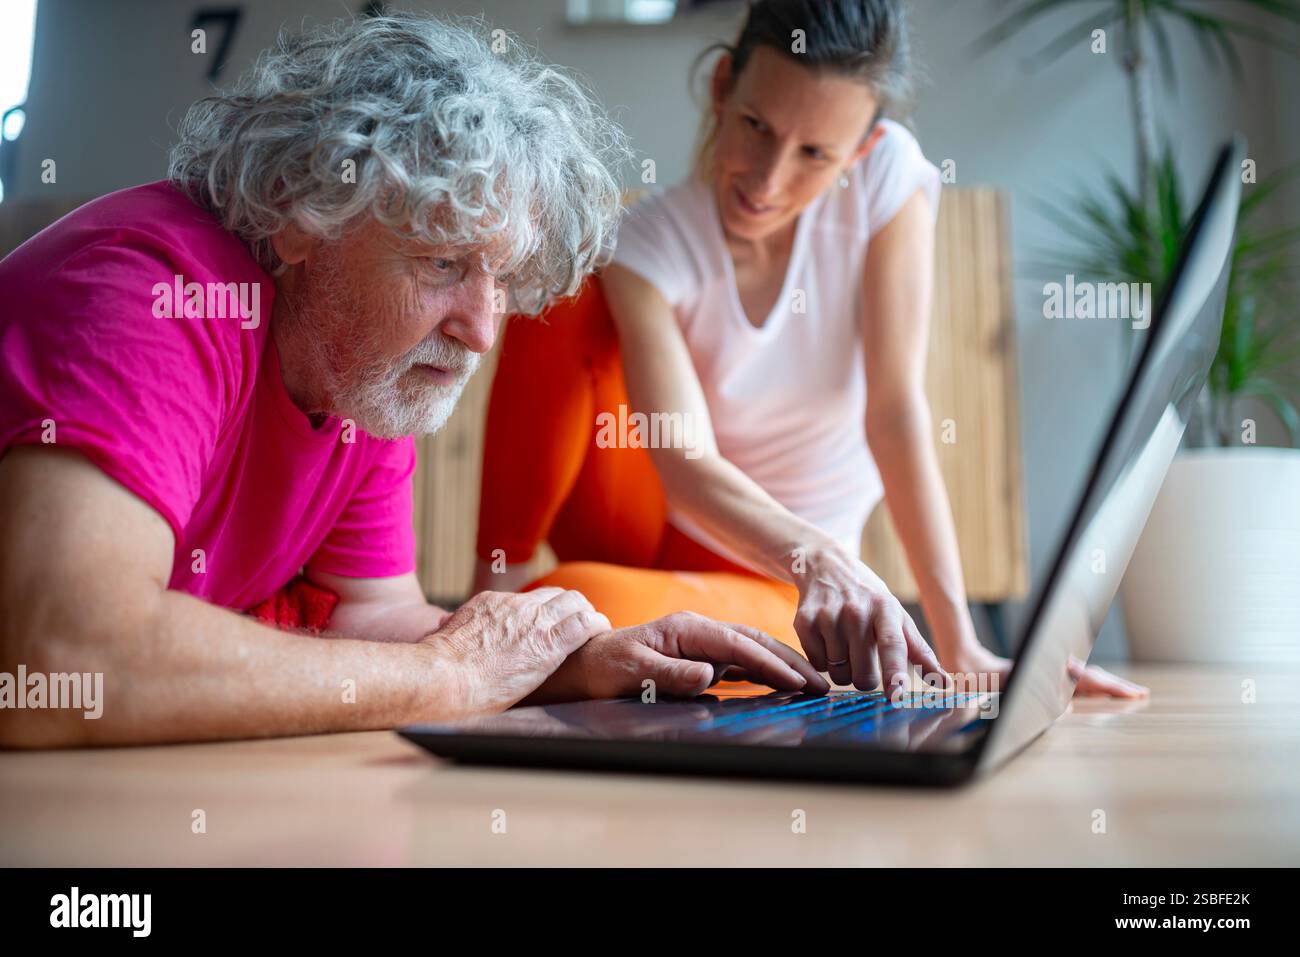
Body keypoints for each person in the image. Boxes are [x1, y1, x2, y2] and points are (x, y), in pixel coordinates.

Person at [0, 13, 827, 749]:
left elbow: (375, 618)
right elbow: (66, 654)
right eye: (442, 263)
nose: (480, 330)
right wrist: (450, 680)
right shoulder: (154, 298)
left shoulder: (360, 369)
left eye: (500, 279)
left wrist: (578, 663)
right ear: (299, 216)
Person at [476, 0, 1146, 699]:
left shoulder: (887, 182)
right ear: (722, 88)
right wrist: (821, 554)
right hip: (656, 521)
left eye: (814, 154)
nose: (767, 180)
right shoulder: (651, 238)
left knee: (565, 601)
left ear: (858, 151)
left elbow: (894, 411)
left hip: (774, 581)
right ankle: (482, 603)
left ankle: (518, 627)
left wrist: (961, 643)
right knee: (571, 285)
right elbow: (683, 462)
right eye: (756, 126)